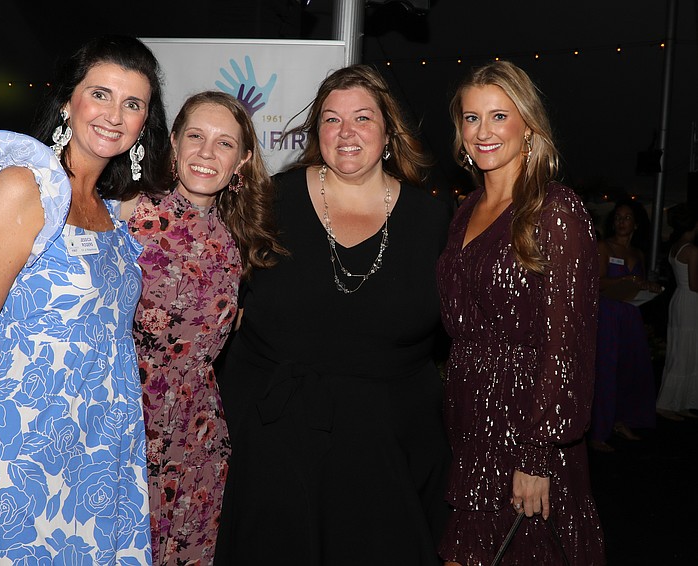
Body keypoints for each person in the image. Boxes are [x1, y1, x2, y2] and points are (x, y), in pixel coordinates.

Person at [0, 34, 170, 565]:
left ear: (144, 123)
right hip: (19, 456)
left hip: (99, 457)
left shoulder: (111, 212)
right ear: (69, 100)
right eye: (101, 94)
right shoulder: (25, 187)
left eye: (133, 103)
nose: (115, 114)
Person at [214, 64, 452, 565]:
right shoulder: (267, 201)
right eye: (331, 119)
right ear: (315, 132)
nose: (346, 133)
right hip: (277, 441)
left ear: (388, 131)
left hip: (390, 449)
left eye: (362, 118)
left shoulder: (433, 220)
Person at [435, 60, 605, 565]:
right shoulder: (465, 209)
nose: (482, 132)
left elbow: (567, 344)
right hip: (470, 420)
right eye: (471, 118)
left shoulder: (556, 210)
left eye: (498, 117)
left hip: (527, 426)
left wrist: (539, 452)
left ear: (528, 127)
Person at [124, 91, 283, 565]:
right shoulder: (129, 215)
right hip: (127, 420)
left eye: (225, 143)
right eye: (195, 136)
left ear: (243, 161)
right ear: (173, 145)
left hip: (197, 433)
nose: (207, 153)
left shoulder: (239, 239)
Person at [589, 199, 661, 451]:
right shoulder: (604, 247)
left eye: (627, 217)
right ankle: (598, 432)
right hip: (608, 314)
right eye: (618, 217)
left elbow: (636, 285)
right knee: (606, 372)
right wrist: (628, 279)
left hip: (630, 315)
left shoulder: (638, 253)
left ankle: (620, 421)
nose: (621, 222)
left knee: (629, 370)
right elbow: (595, 282)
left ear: (636, 224)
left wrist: (646, 285)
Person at [656, 203, 698, 420]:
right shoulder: (691, 250)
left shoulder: (677, 245)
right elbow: (694, 284)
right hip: (690, 301)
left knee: (683, 350)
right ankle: (666, 404)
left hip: (680, 300)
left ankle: (681, 402)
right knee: (684, 352)